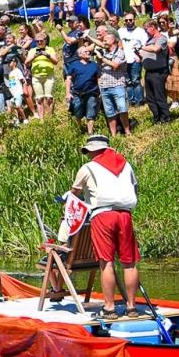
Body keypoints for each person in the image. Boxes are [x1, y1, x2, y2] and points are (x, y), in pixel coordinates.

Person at [67, 134, 141, 320]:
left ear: (94, 150)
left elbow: (74, 195)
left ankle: (109, 308)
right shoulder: (126, 164)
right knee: (129, 263)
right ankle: (131, 307)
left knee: (106, 262)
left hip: (103, 216)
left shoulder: (87, 168)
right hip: (125, 214)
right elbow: (135, 188)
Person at [139, 20, 174, 124]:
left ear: (153, 27)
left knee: (159, 95)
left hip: (158, 72)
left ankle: (165, 117)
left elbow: (156, 49)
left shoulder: (161, 38)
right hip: (148, 71)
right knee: (150, 97)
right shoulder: (149, 39)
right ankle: (156, 116)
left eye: (146, 29)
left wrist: (142, 47)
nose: (146, 32)